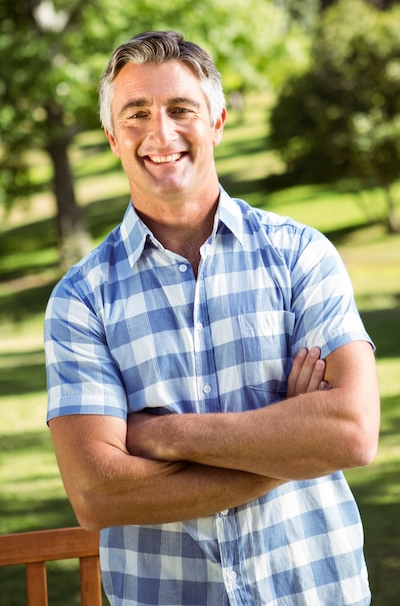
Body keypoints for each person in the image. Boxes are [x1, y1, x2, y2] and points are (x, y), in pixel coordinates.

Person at [44, 30, 380, 606]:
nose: (161, 133)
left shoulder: (300, 254)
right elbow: (98, 495)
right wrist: (291, 445)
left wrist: (160, 435)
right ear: (111, 137)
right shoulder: (81, 299)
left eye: (181, 109)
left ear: (218, 122)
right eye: (136, 114)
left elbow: (350, 431)